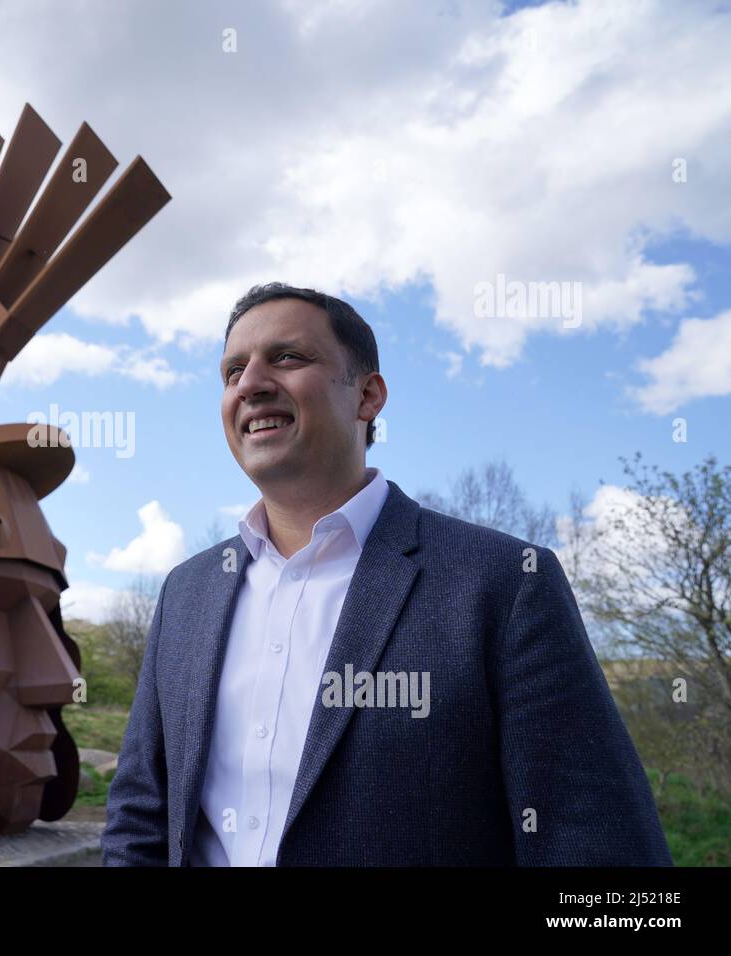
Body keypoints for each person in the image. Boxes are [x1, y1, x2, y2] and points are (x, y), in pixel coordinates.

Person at [100, 282, 671, 866]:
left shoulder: (504, 583)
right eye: (232, 371)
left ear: (368, 395)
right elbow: (141, 814)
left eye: (288, 357)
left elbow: (598, 849)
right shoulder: (187, 593)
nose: (250, 384)